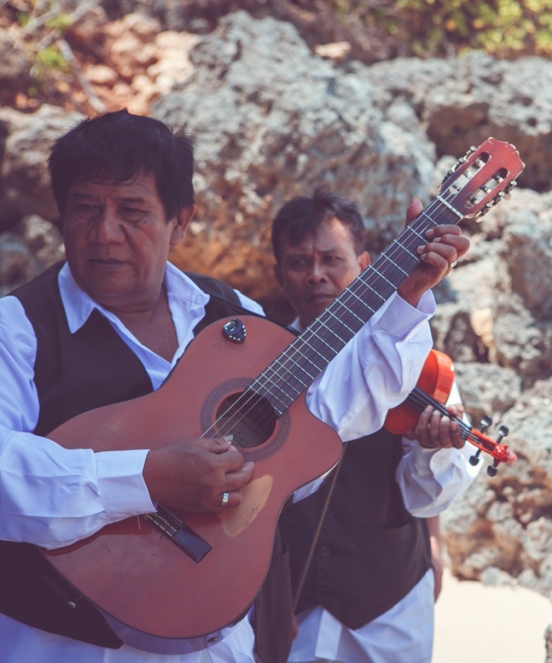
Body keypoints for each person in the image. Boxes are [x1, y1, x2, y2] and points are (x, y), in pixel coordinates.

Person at [0, 110, 468, 662]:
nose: (105, 232)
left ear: (180, 221)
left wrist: (404, 300)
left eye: (131, 211)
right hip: (60, 645)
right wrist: (145, 478)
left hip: (216, 642)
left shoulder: (230, 313)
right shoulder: (18, 328)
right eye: (85, 208)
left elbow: (328, 412)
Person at [271, 189, 480, 663]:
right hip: (289, 609)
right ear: (279, 275)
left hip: (388, 607)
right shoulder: (260, 367)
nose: (317, 274)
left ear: (364, 265)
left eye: (331, 259)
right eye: (299, 262)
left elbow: (426, 496)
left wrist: (433, 453)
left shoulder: (412, 359)